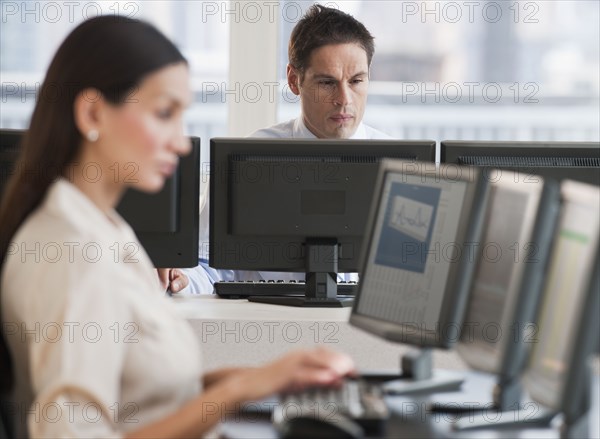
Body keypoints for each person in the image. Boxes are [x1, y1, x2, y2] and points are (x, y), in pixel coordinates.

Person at [0, 16, 355, 438]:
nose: (182, 143)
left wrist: (269, 379)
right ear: (93, 112)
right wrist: (245, 386)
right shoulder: (75, 255)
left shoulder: (101, 227)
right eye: (164, 113)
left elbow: (144, 397)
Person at [186, 5, 391, 293]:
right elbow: (206, 267)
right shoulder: (247, 160)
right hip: (264, 328)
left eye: (356, 81)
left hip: (361, 330)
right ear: (295, 80)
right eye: (326, 83)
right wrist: (180, 280)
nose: (344, 99)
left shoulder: (397, 166)